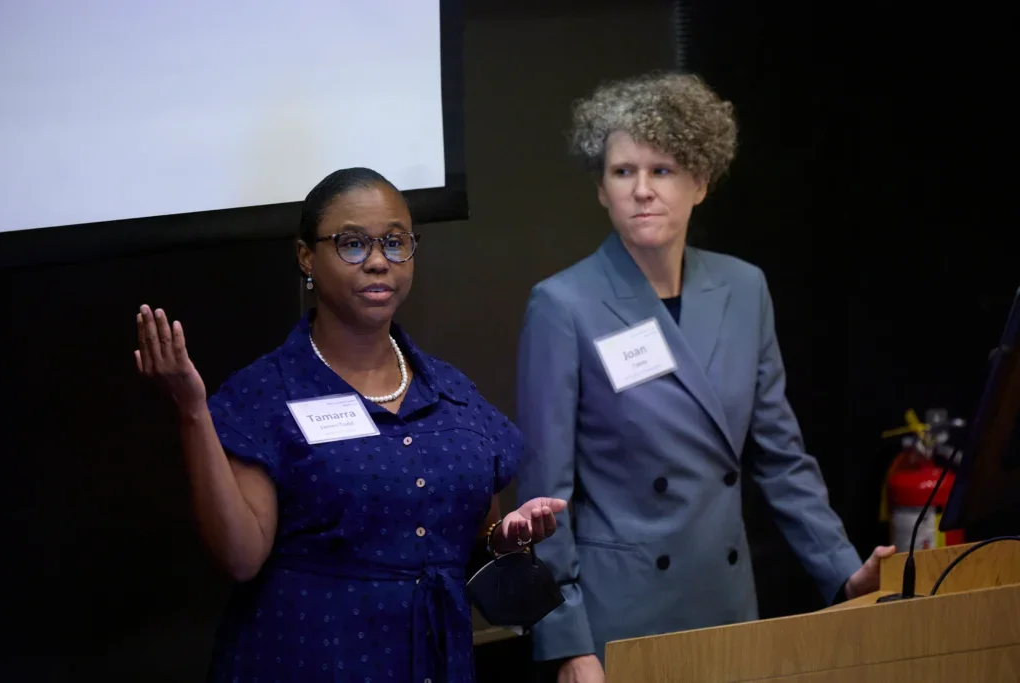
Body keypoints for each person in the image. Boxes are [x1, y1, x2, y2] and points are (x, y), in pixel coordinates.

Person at [514, 72, 895, 682]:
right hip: (621, 617)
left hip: (725, 601)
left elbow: (781, 459)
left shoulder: (744, 288)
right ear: (601, 190)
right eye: (622, 172)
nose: (641, 190)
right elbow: (544, 498)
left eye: (662, 170)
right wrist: (567, 642)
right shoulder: (563, 305)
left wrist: (844, 571)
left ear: (701, 182)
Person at [134, 167, 566, 683]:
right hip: (308, 660)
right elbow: (240, 557)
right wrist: (192, 411)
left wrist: (507, 539)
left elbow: (476, 540)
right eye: (352, 244)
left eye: (394, 242)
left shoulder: (453, 394)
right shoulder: (268, 394)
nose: (379, 261)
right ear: (306, 258)